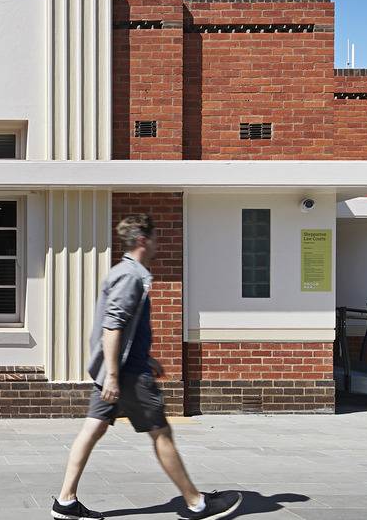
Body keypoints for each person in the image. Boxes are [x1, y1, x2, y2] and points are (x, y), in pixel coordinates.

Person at [52, 215, 242, 520]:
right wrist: (115, 375)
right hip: (126, 375)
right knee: (161, 433)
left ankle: (65, 502)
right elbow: (112, 327)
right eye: (154, 239)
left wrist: (142, 358)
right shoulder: (131, 275)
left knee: (92, 429)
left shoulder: (125, 272)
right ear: (143, 240)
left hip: (117, 369)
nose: (157, 244)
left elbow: (123, 328)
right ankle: (196, 503)